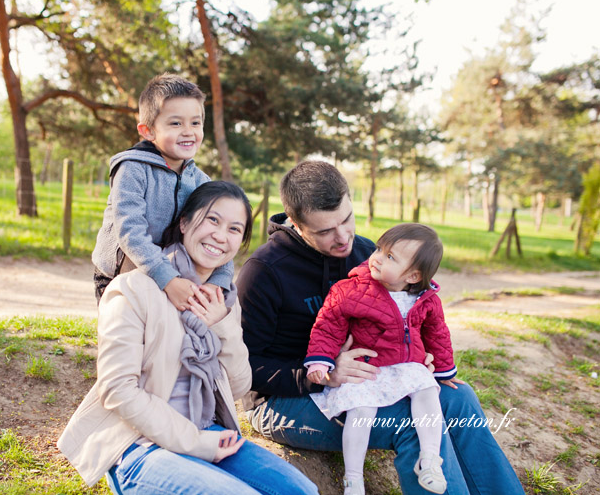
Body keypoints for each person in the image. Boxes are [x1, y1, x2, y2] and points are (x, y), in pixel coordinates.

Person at [236, 161, 525, 494]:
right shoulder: (264, 271)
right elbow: (244, 369)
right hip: (285, 401)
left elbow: (407, 313)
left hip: (368, 382)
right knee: (415, 424)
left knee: (459, 399)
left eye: (346, 219)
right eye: (325, 231)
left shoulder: (366, 253)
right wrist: (322, 374)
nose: (343, 236)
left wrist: (414, 352)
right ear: (297, 224)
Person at [58, 181, 318, 495]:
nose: (221, 236)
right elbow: (118, 390)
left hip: (208, 429)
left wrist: (220, 325)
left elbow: (237, 387)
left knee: (302, 491)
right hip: (138, 447)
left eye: (235, 229)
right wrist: (196, 442)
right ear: (183, 222)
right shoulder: (133, 291)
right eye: (213, 220)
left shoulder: (221, 302)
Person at [305, 223, 455, 494]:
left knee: (428, 392)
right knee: (361, 412)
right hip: (367, 368)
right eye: (379, 249)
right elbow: (328, 324)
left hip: (407, 367)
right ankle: (353, 478)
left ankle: (430, 458)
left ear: (412, 275)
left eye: (390, 257)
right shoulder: (352, 289)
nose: (375, 257)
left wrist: (444, 370)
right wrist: (320, 359)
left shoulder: (425, 298)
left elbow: (438, 333)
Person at [91, 73, 231, 309]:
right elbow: (130, 231)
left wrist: (218, 280)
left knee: (169, 339)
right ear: (148, 131)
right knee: (130, 336)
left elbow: (221, 234)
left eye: (195, 123)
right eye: (176, 123)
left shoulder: (201, 181)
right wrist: (168, 280)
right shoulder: (132, 169)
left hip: (175, 273)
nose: (188, 131)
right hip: (122, 274)